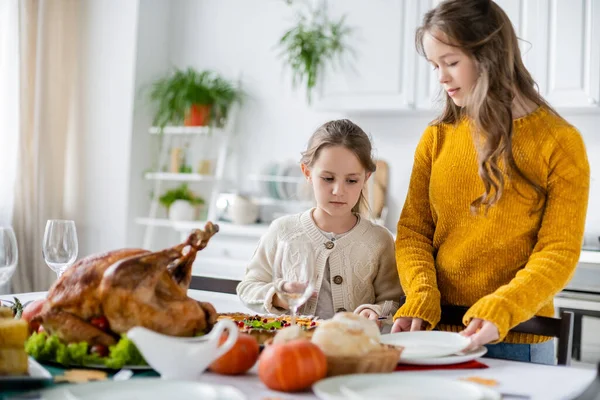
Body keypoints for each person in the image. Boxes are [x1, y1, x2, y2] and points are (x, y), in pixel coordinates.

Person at [391, 0, 590, 364]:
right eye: (435, 65)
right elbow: (413, 231)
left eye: (451, 62)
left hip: (520, 339)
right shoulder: (437, 137)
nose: (441, 77)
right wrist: (420, 295)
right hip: (435, 336)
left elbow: (558, 251)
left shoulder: (559, 141)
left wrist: (502, 307)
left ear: (490, 54)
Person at [237, 119, 402, 325]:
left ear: (366, 178)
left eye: (351, 181)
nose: (338, 191)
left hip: (351, 349)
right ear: (307, 173)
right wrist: (279, 296)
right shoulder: (282, 231)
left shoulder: (379, 240)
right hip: (294, 346)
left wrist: (375, 312)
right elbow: (248, 287)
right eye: (328, 178)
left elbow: (394, 303)